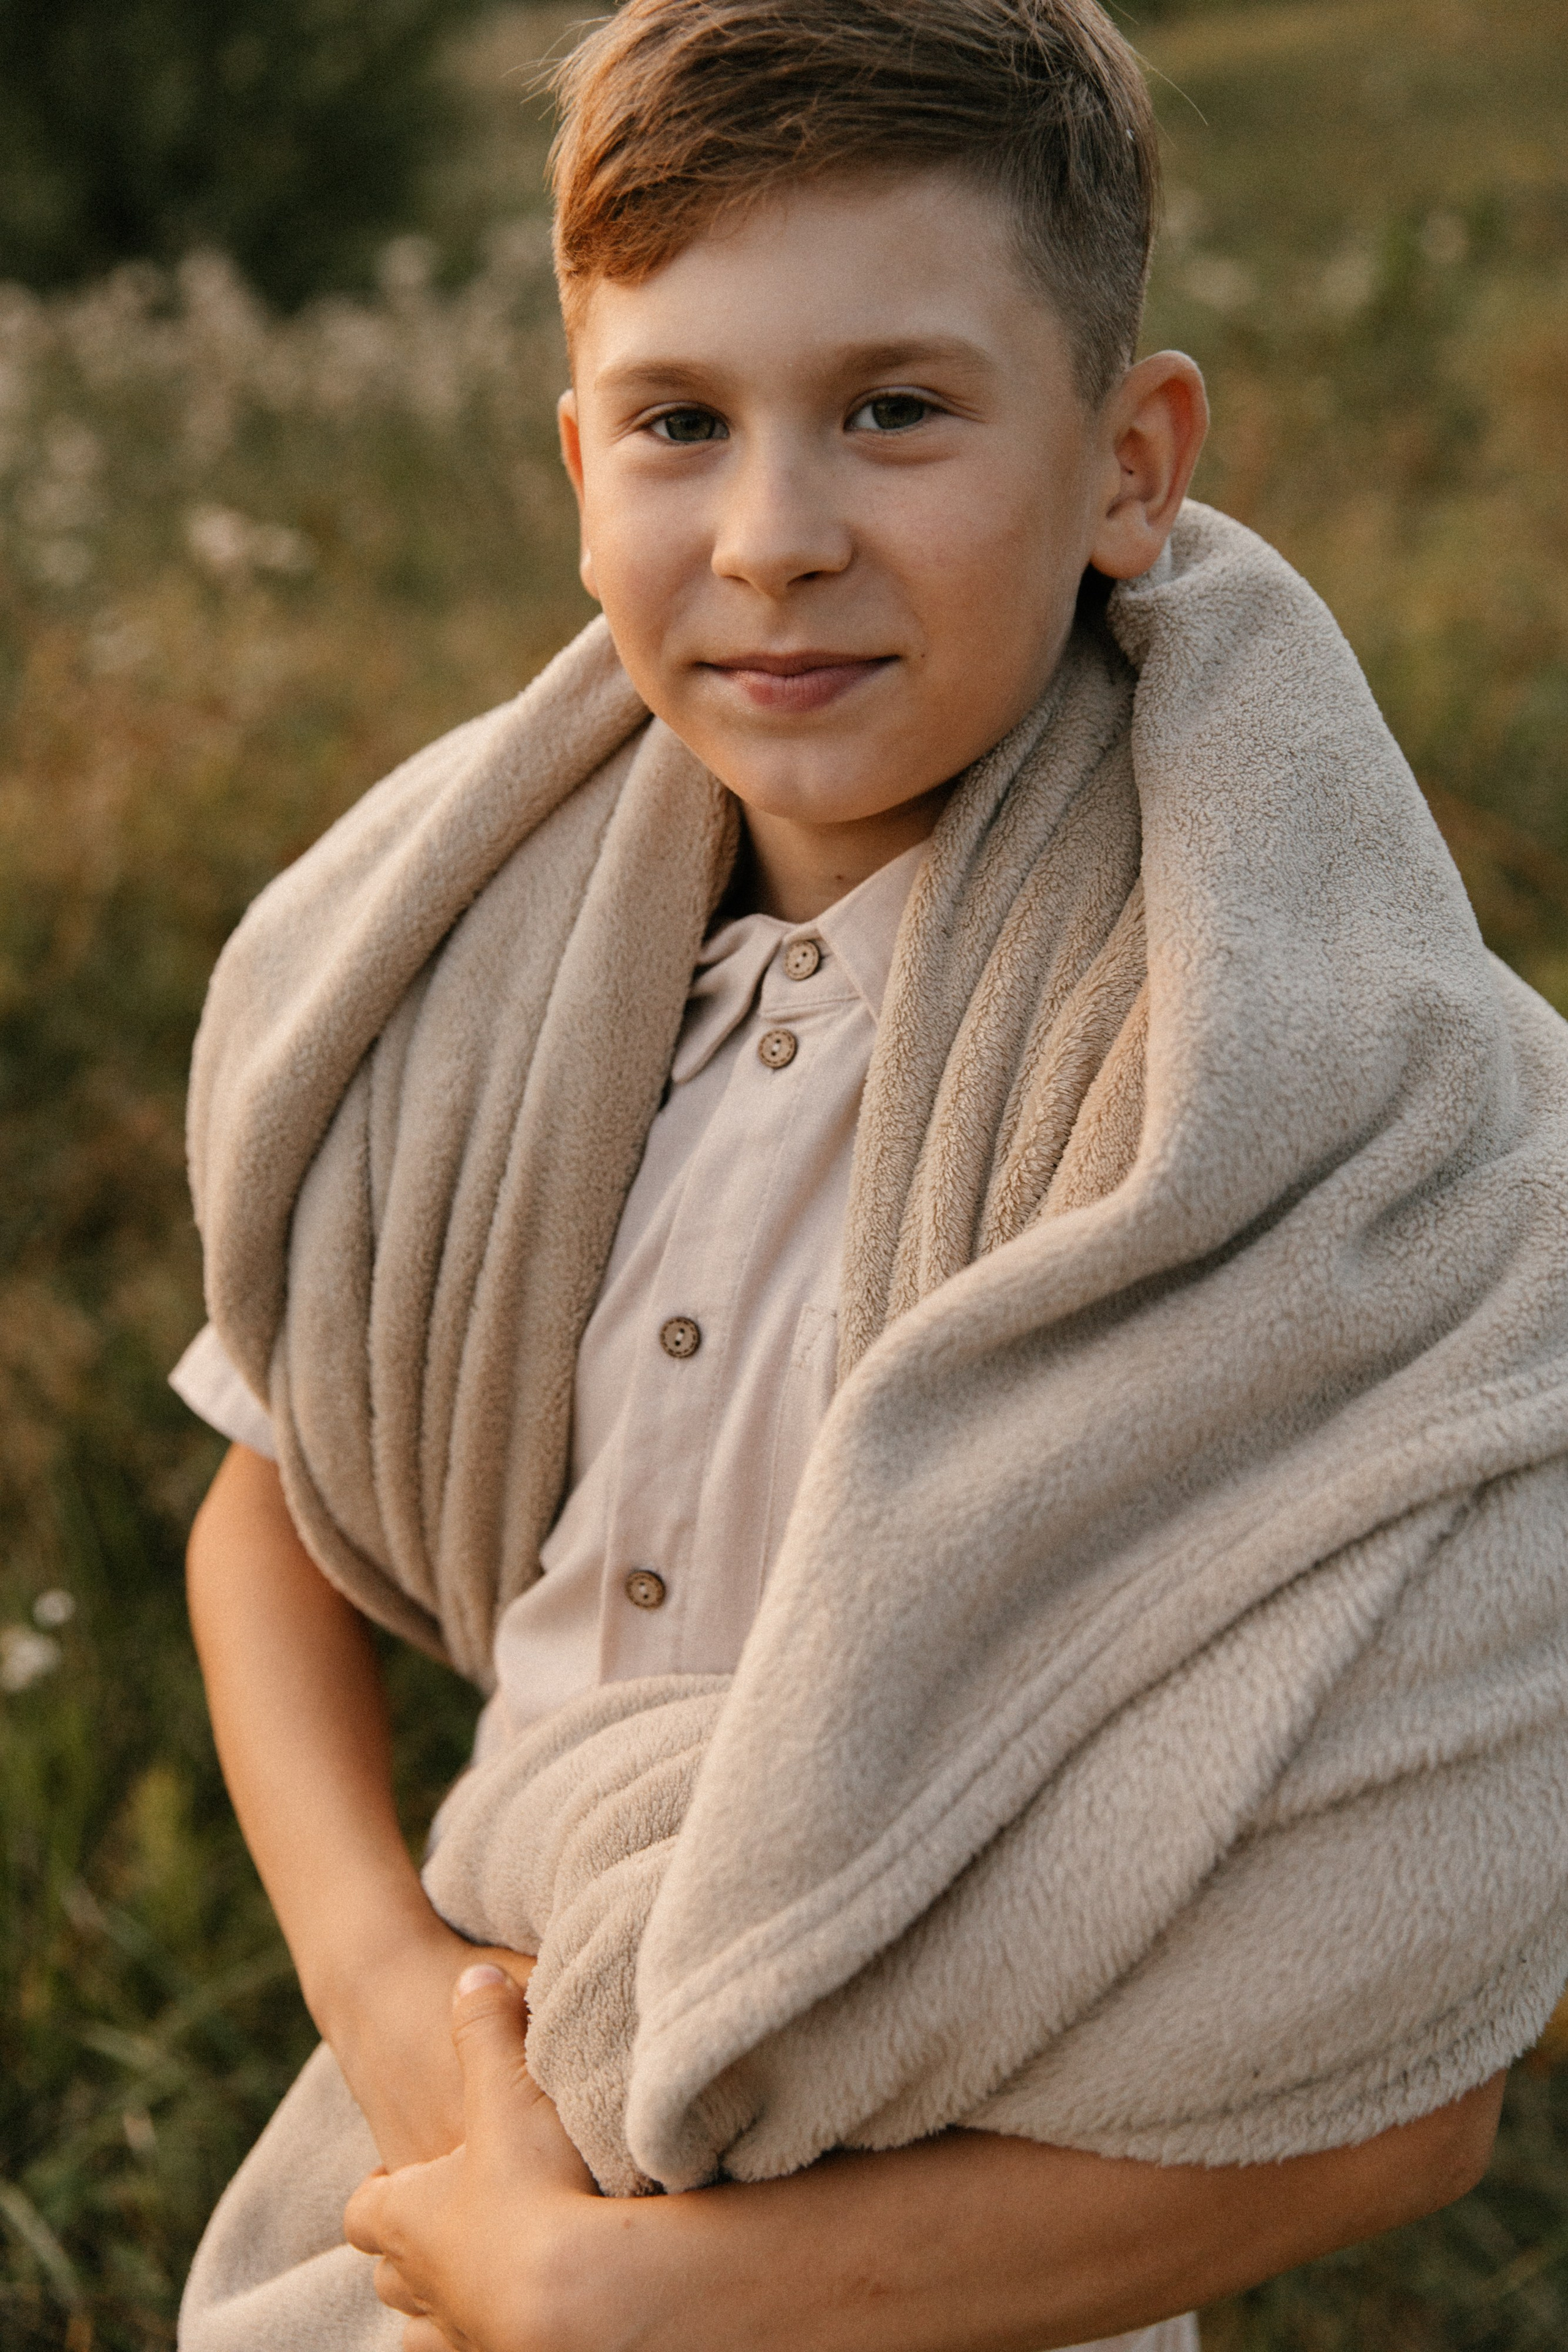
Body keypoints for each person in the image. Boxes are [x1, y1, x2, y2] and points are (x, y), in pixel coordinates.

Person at [171, 2, 1568, 2348]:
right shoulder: (481, 965)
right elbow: (266, 1511)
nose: (775, 534)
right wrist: (404, 2013)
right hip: (442, 2190)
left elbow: (1404, 2086)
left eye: (896, 411)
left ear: (1134, 463)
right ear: (575, 456)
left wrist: (648, 2308)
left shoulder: (1271, 1098)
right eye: (679, 422)